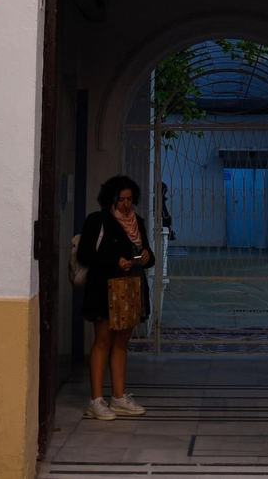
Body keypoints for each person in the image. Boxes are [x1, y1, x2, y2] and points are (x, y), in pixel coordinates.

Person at [78, 175, 156, 421]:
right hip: (104, 288)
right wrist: (115, 261)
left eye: (129, 199)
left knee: (122, 342)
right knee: (103, 340)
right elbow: (85, 254)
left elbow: (149, 256)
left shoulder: (138, 222)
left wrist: (146, 257)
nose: (126, 204)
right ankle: (96, 400)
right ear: (111, 199)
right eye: (121, 199)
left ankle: (119, 398)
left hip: (131, 288)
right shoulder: (98, 220)